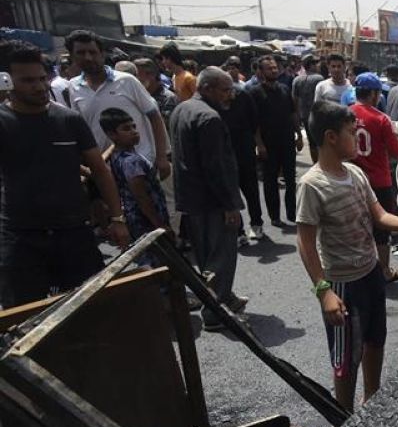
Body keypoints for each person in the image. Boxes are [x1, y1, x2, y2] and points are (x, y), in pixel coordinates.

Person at [296, 100, 398, 411]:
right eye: (352, 132)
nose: (356, 139)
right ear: (331, 137)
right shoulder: (312, 185)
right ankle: (344, 416)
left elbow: (379, 216)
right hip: (342, 284)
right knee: (346, 358)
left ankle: (372, 402)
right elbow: (305, 243)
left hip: (371, 273)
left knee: (375, 341)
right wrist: (324, 292)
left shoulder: (355, 173)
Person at [0, 40, 129, 308]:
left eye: (42, 78)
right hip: (21, 237)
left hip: (74, 233)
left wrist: (117, 218)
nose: (39, 86)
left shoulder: (68, 120)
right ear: (7, 82)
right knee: (24, 317)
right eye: (28, 81)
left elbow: (100, 170)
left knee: (90, 309)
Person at [170, 66, 247, 330]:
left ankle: (223, 298)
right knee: (221, 256)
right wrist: (230, 205)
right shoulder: (209, 117)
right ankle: (216, 312)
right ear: (207, 89)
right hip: (212, 201)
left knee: (205, 255)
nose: (230, 96)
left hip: (193, 199)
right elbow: (216, 168)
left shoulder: (182, 108)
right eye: (225, 90)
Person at [66, 30, 171, 181]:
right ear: (72, 56)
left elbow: (154, 116)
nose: (88, 57)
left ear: (101, 54)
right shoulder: (73, 86)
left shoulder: (127, 81)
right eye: (81, 53)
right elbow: (81, 128)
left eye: (92, 52)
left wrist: (162, 157)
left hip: (141, 164)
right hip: (106, 169)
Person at [351, 72, 398, 282]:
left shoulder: (346, 114)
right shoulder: (380, 119)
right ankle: (385, 270)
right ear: (375, 94)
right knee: (382, 228)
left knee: (357, 224)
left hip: (354, 179)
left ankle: (360, 267)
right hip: (379, 181)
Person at [100, 108, 172, 263]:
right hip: (145, 220)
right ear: (112, 135)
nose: (134, 131)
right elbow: (141, 197)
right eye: (126, 129)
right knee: (160, 262)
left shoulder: (117, 155)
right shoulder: (131, 161)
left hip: (134, 218)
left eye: (134, 126)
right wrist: (159, 225)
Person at [248, 55, 303, 227]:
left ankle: (292, 213)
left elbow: (293, 113)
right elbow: (253, 121)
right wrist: (259, 144)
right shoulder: (255, 92)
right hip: (268, 143)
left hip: (287, 141)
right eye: (269, 68)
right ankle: (274, 216)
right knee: (270, 180)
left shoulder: (285, 89)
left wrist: (299, 135)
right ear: (261, 71)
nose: (273, 70)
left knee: (290, 180)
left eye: (275, 68)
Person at [219, 67, 264, 242]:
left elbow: (255, 123)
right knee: (231, 193)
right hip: (224, 154)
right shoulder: (212, 103)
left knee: (251, 190)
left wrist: (259, 144)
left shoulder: (243, 96)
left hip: (245, 151)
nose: (228, 93)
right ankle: (239, 231)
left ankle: (256, 224)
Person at [292, 54, 324, 163]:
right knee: (321, 143)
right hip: (318, 116)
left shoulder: (296, 80)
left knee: (312, 143)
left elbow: (294, 101)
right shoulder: (319, 79)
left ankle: (315, 164)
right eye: (316, 63)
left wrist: (297, 116)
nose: (318, 66)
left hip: (304, 116)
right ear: (311, 65)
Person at [134, 58, 179, 128]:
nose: (135, 79)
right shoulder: (137, 95)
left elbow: (164, 124)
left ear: (151, 74)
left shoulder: (168, 98)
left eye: (137, 75)